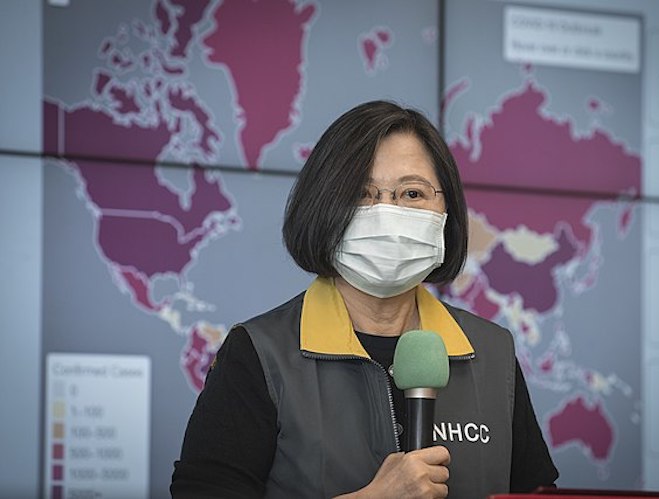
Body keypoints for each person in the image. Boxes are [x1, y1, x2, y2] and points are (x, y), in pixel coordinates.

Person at [170, 100, 558, 498]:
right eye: (362, 194)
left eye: (412, 193)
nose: (387, 214)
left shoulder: (491, 353)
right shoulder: (259, 355)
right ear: (323, 207)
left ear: (447, 213)